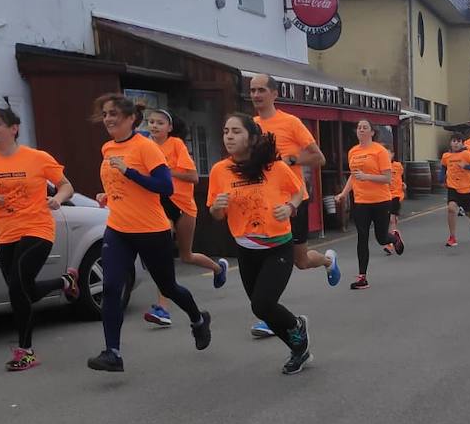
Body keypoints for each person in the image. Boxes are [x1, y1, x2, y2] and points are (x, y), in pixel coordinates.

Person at [88, 94, 211, 372]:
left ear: (131, 119)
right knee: (110, 288)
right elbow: (120, 185)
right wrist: (108, 195)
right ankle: (113, 353)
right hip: (118, 228)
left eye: (114, 114)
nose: (108, 118)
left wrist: (130, 172)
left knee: (168, 287)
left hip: (151, 230)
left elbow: (165, 187)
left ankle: (198, 319)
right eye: (105, 114)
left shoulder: (146, 148)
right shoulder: (107, 148)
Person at [0, 104, 79, 372]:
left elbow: (67, 186)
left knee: (18, 287)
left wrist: (57, 198)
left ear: (13, 128)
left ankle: (26, 352)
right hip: (6, 231)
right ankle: (65, 281)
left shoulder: (38, 157)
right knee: (22, 289)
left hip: (37, 227)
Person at [208, 114, 312, 373]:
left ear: (252, 138)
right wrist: (217, 209)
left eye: (236, 132)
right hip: (246, 250)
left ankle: (297, 339)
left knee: (262, 304)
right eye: (226, 131)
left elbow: (299, 190)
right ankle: (297, 336)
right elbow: (216, 213)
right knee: (263, 309)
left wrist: (290, 207)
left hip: (278, 247)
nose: (229, 136)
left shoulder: (274, 167)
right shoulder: (220, 170)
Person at [249, 74, 339, 336]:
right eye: (252, 90)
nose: (256, 95)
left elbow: (318, 157)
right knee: (269, 258)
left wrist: (291, 160)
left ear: (274, 94)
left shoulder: (291, 122)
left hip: (292, 201)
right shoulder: (251, 125)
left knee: (299, 261)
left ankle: (327, 261)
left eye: (261, 90)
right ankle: (268, 311)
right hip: (263, 203)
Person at [142, 109, 228, 328]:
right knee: (164, 254)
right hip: (158, 206)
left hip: (183, 206)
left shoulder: (176, 145)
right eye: (151, 122)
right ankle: (162, 308)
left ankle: (218, 269)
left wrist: (165, 172)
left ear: (169, 127)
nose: (154, 126)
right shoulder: (145, 146)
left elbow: (192, 176)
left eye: (159, 123)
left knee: (187, 256)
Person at [336, 119, 399, 289]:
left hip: (380, 201)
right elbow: (353, 175)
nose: (361, 130)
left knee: (381, 238)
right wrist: (343, 193)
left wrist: (367, 177)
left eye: (365, 128)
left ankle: (394, 238)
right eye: (359, 128)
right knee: (362, 237)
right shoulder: (353, 152)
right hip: (361, 201)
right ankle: (362, 277)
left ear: (372, 132)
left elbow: (387, 178)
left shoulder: (379, 151)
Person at [441, 132, 470, 247]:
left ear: (462, 143)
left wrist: (467, 166)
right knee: (451, 208)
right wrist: (441, 178)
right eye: (454, 141)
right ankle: (452, 237)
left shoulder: (466, 154)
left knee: (468, 212)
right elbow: (443, 167)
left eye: (458, 141)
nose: (456, 143)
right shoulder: (446, 156)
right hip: (452, 187)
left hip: (466, 189)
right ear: (450, 143)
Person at [382, 144, 406, 256]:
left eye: (388, 154)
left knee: (391, 219)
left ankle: (390, 244)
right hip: (384, 196)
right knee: (387, 220)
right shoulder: (380, 168)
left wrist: (403, 184)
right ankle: (395, 236)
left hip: (396, 196)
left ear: (392, 154)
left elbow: (401, 178)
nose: (386, 156)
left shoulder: (397, 166)